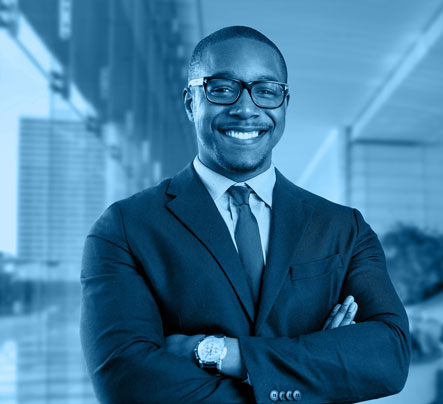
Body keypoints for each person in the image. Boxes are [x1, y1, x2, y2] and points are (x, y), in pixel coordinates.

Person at [80, 26, 411, 404]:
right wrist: (319, 372)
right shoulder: (125, 228)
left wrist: (220, 353)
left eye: (266, 91)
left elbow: (389, 356)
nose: (246, 108)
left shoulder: (343, 228)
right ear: (191, 102)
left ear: (284, 104)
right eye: (222, 89)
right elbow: (127, 382)